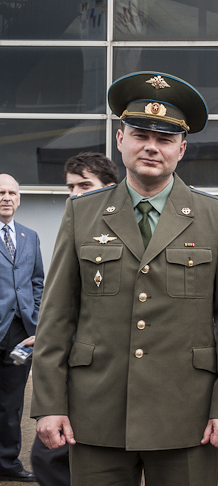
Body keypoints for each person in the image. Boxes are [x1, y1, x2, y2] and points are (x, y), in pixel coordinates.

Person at [30, 72, 218, 486]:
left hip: (186, 415)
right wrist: (49, 404)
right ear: (120, 140)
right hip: (96, 412)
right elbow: (57, 316)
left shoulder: (217, 216)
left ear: (182, 149)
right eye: (140, 134)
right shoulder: (82, 213)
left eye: (165, 139)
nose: (151, 147)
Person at [30, 152, 121, 486]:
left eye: (85, 185)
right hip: (71, 365)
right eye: (70, 186)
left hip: (104, 374)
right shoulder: (75, 227)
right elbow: (59, 304)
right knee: (50, 456)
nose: (74, 194)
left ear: (110, 188)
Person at [0, 174, 43, 482]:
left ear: (19, 198)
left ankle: (7, 463)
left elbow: (37, 282)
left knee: (11, 404)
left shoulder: (30, 236)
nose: (6, 197)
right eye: (1, 192)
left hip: (21, 335)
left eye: (12, 192)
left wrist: (37, 319)